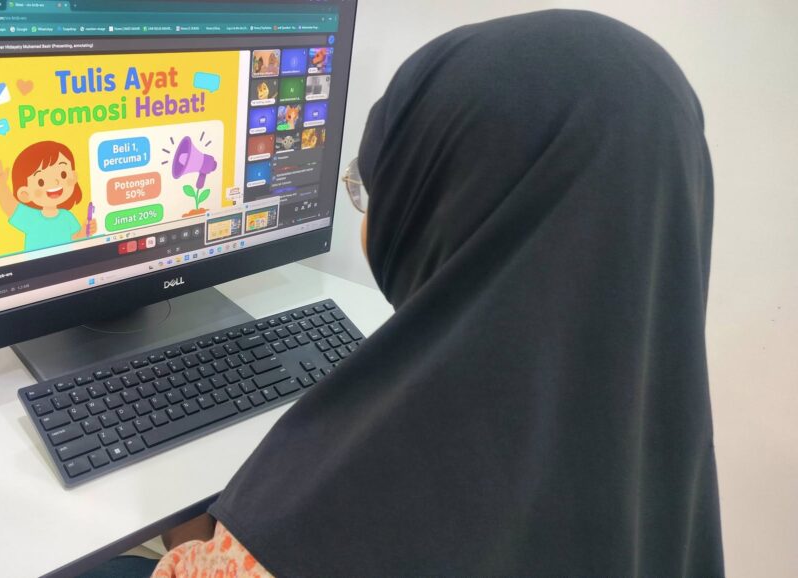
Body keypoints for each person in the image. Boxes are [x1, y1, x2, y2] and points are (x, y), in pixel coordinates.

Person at [128, 9, 725, 577]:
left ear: (443, 207)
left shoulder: (329, 527)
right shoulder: (661, 449)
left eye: (373, 190)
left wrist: (167, 475)